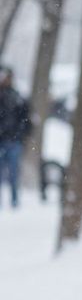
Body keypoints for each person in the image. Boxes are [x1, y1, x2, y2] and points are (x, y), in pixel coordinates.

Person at [0, 65, 32, 209]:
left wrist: (20, 136)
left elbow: (26, 119)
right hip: (4, 140)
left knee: (13, 173)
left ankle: (14, 201)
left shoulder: (18, 97)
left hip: (13, 141)